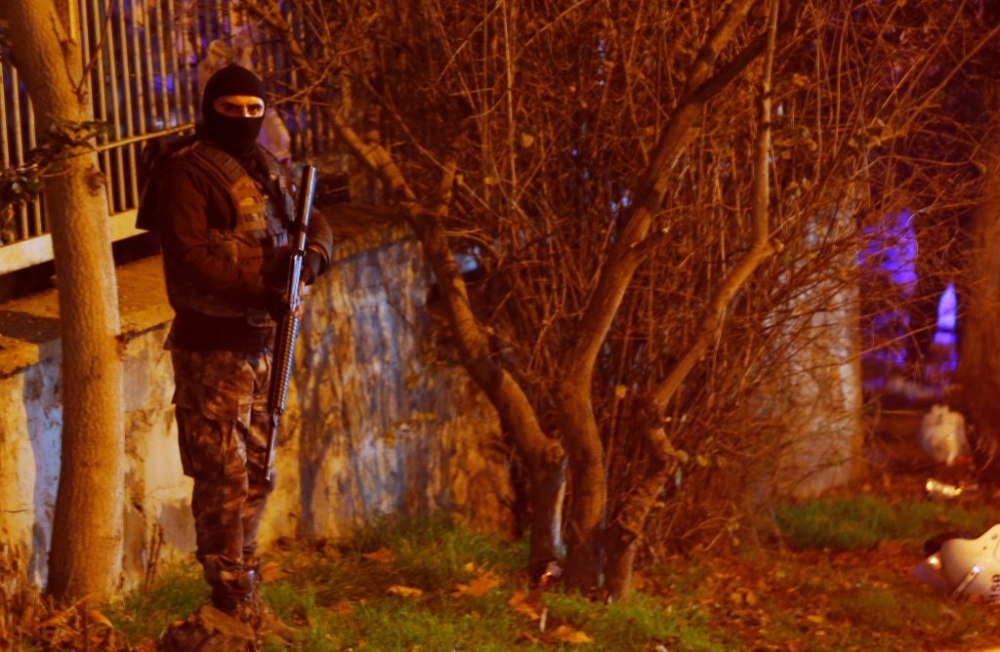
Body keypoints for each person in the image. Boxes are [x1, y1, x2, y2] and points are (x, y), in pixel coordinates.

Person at [153, 64, 333, 637]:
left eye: (255, 111)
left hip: (261, 342)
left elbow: (319, 227)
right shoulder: (186, 174)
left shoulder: (268, 170)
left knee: (258, 471)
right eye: (231, 110)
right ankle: (224, 606)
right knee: (222, 476)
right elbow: (190, 259)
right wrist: (265, 289)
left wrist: (310, 268)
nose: (244, 121)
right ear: (210, 110)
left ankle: (245, 603)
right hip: (213, 347)